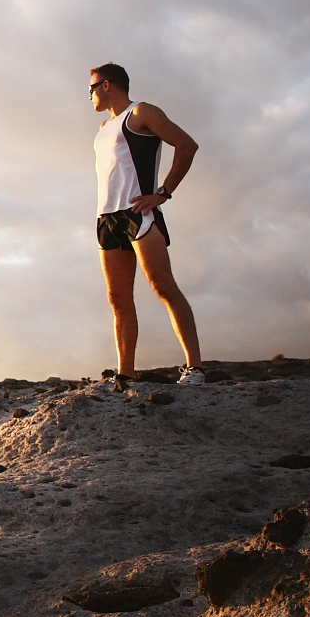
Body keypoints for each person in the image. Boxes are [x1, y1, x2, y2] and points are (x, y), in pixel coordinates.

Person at [88, 62, 204, 387]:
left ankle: (195, 368)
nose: (89, 95)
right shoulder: (102, 128)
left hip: (139, 214)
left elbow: (186, 145)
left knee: (163, 287)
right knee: (118, 298)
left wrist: (163, 193)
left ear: (108, 85)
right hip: (107, 218)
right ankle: (126, 373)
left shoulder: (141, 113)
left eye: (92, 87)